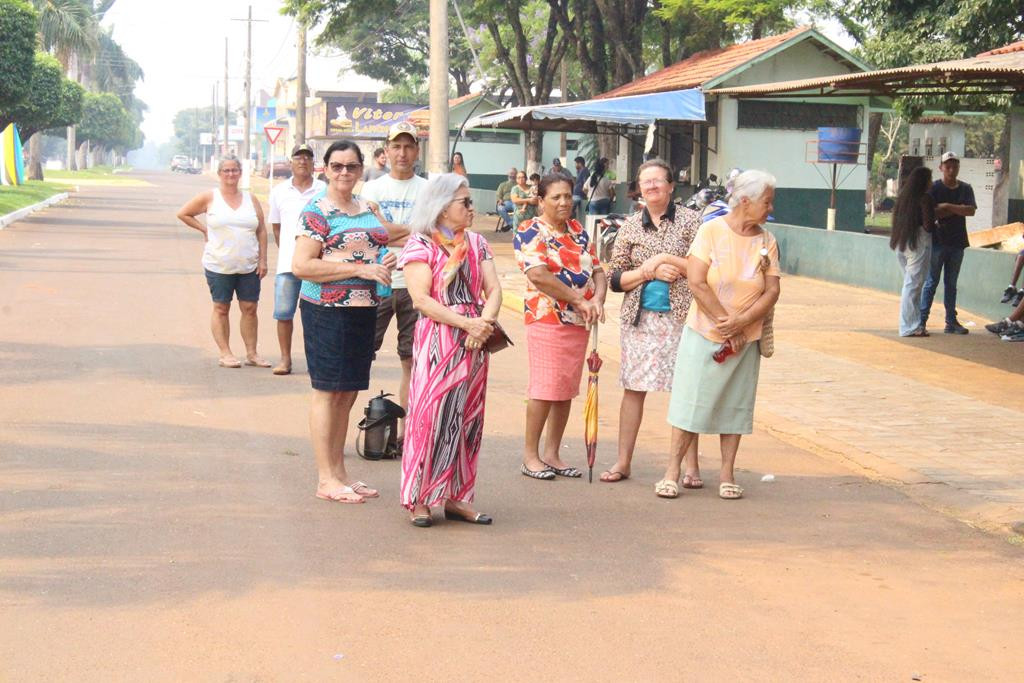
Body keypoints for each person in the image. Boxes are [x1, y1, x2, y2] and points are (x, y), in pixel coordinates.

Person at [658, 170, 780, 501]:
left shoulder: (766, 241)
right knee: (690, 403)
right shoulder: (710, 231)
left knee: (735, 405)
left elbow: (771, 291)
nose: (771, 208)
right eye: (767, 202)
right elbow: (697, 281)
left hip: (746, 338)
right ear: (745, 201)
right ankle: (672, 471)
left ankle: (727, 473)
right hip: (705, 332)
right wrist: (726, 323)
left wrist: (741, 325)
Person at [291, 140, 395, 504]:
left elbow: (382, 240)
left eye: (351, 166)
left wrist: (384, 259)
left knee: (348, 391)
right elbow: (302, 265)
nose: (344, 173)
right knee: (327, 391)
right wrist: (358, 268)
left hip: (364, 307)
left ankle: (340, 473)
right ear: (325, 169)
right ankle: (325, 478)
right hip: (326, 310)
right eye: (337, 166)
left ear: (362, 168)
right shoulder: (316, 212)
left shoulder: (367, 207)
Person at [399, 174, 503, 527]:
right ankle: (420, 498)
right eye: (465, 203)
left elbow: (494, 290)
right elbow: (421, 299)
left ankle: (458, 497)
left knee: (468, 419)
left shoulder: (477, 243)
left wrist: (483, 325)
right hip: (439, 341)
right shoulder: (420, 245)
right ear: (442, 207)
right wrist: (467, 325)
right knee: (430, 418)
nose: (473, 209)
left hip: (474, 342)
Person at [603, 159, 702, 484]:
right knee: (634, 389)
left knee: (684, 391)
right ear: (639, 189)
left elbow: (705, 268)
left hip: (683, 317)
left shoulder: (692, 222)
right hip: (640, 319)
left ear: (672, 186)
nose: (652, 186)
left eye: (659, 181)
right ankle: (622, 462)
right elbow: (615, 277)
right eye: (646, 182)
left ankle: (690, 467)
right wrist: (649, 271)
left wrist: (671, 264)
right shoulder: (630, 226)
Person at [514, 173, 607, 480]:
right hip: (547, 318)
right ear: (541, 200)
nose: (564, 202)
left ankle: (552, 453)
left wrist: (597, 302)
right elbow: (538, 275)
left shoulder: (579, 231)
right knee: (544, 388)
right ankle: (531, 456)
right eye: (556, 197)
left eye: (567, 196)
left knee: (565, 388)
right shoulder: (530, 230)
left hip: (579, 322)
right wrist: (579, 301)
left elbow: (598, 271)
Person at [361, 121, 427, 455]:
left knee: (411, 362)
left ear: (416, 151)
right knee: (359, 356)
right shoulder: (371, 189)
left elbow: (430, 233)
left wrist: (391, 230)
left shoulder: (427, 190)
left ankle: (405, 434)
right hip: (379, 282)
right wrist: (411, 230)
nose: (402, 153)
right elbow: (374, 233)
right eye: (396, 147)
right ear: (386, 152)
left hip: (417, 284)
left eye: (408, 147)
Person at [176, 156, 270, 369]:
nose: (231, 174)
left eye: (235, 170)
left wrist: (263, 259)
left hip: (248, 264)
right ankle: (225, 352)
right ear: (219, 174)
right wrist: (203, 229)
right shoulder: (210, 197)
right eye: (226, 170)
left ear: (240, 173)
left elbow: (261, 229)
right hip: (218, 263)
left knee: (250, 307)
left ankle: (252, 353)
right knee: (221, 307)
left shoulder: (250, 199)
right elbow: (183, 213)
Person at [268, 144, 327, 375]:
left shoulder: (323, 189)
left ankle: (318, 361)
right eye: (298, 157)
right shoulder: (279, 191)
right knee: (284, 314)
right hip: (287, 265)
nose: (303, 161)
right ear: (290, 162)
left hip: (318, 264)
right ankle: (285, 359)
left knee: (318, 315)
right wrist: (292, 253)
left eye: (307, 157)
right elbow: (276, 229)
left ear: (314, 163)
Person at [920, 152, 976, 335]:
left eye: (955, 166)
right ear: (941, 168)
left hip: (957, 242)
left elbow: (971, 211)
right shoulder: (934, 188)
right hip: (937, 241)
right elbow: (931, 212)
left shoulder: (966, 188)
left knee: (951, 283)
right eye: (948, 166)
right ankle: (921, 321)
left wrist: (947, 207)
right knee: (931, 282)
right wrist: (957, 209)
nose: (952, 169)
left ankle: (951, 321)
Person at [890, 166, 934, 338]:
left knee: (911, 286)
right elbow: (928, 225)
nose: (931, 183)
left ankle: (915, 325)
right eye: (929, 179)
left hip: (902, 243)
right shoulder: (925, 199)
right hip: (918, 244)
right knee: (913, 287)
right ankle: (908, 326)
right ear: (924, 181)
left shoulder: (903, 198)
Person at [495, 167, 517, 232]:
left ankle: (510, 226)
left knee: (519, 209)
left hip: (516, 202)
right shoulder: (502, 185)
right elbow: (498, 195)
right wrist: (499, 200)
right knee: (500, 208)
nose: (512, 175)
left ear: (516, 175)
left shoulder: (518, 185)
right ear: (508, 174)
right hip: (506, 203)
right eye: (511, 173)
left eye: (514, 173)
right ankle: (511, 224)